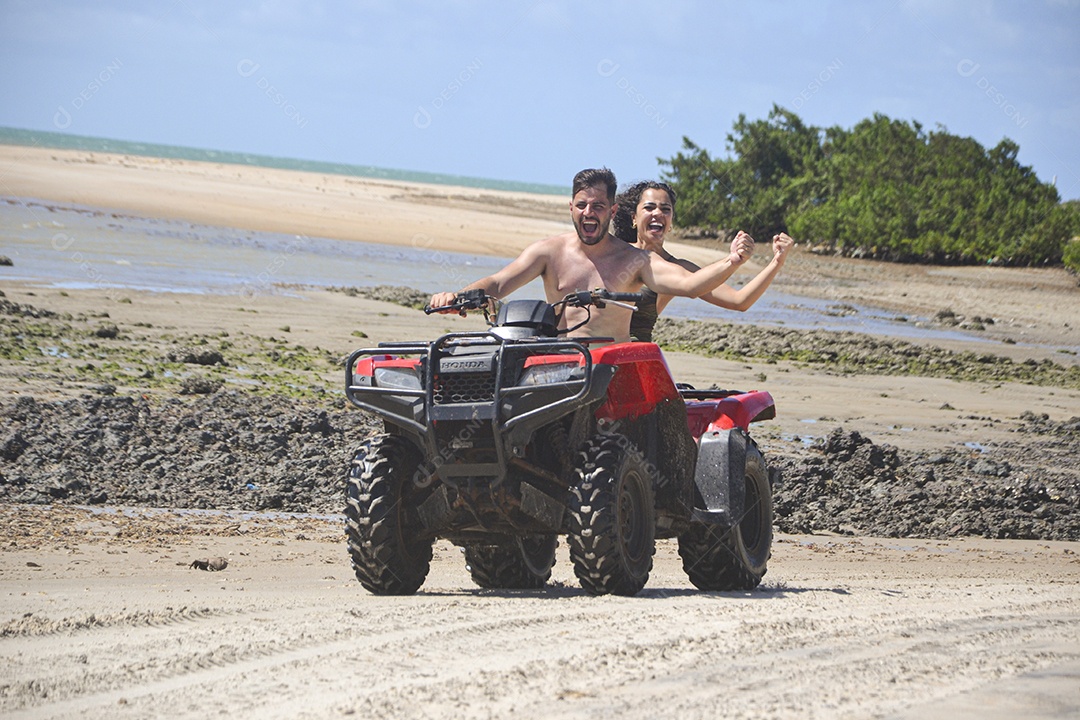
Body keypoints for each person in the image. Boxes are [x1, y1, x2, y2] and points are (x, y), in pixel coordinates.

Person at [429, 168, 756, 343]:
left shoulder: (636, 260)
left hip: (611, 367)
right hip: (556, 359)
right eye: (582, 205)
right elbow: (499, 283)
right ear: (571, 207)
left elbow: (690, 285)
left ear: (611, 211)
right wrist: (456, 297)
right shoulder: (548, 251)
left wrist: (732, 261)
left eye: (598, 206)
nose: (589, 212)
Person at [612, 180, 794, 342]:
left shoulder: (678, 268)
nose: (658, 213)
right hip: (595, 352)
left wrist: (777, 262)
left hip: (636, 357)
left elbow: (739, 301)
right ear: (634, 217)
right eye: (649, 207)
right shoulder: (613, 252)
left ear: (671, 221)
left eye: (665, 209)